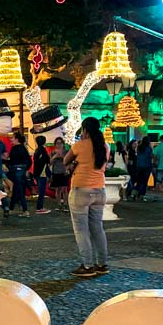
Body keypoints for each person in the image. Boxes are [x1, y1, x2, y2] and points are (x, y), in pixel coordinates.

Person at [63, 117, 110, 277]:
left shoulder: (79, 145)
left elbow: (65, 161)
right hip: (100, 190)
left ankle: (87, 265)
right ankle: (102, 264)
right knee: (97, 228)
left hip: (81, 190)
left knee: (81, 230)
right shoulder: (105, 146)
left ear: (85, 130)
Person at [6, 130, 31, 217]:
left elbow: (12, 160)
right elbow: (28, 160)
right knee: (17, 189)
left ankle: (24, 210)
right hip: (20, 170)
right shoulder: (22, 148)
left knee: (18, 190)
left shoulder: (16, 149)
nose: (11, 139)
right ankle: (12, 208)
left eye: (12, 138)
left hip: (17, 170)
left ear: (17, 139)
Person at [49, 137, 70, 212]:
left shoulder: (66, 152)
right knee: (57, 189)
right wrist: (55, 156)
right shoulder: (52, 152)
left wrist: (62, 156)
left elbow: (68, 161)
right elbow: (50, 163)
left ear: (63, 144)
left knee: (64, 189)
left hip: (64, 172)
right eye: (57, 143)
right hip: (56, 172)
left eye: (60, 143)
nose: (59, 145)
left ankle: (65, 204)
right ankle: (58, 204)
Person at [32, 135, 51, 214]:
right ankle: (39, 208)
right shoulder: (43, 150)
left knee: (41, 191)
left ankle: (40, 207)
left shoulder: (37, 150)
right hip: (42, 173)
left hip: (37, 173)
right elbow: (47, 160)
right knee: (42, 192)